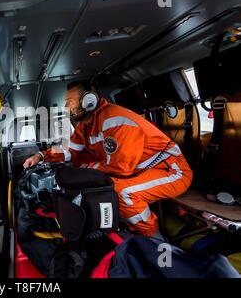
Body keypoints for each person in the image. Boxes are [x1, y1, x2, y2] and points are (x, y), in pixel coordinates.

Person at [23, 81, 193, 237]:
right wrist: (41, 156)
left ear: (88, 101)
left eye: (70, 101)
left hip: (172, 170)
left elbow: (120, 167)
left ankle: (153, 238)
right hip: (141, 171)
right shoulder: (86, 126)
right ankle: (124, 228)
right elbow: (70, 151)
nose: (66, 106)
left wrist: (88, 168)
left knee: (123, 192)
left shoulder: (115, 120)